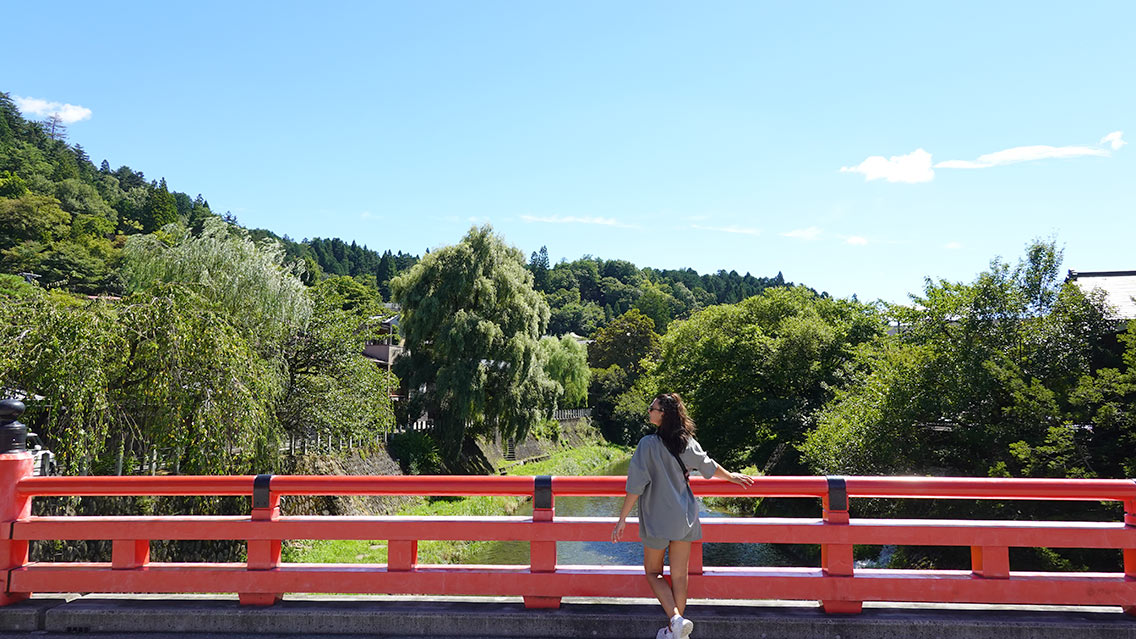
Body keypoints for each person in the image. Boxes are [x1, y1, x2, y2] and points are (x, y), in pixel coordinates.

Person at [611, 392, 754, 639]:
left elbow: (636, 485)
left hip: (657, 518)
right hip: (684, 516)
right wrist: (731, 476)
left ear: (663, 414)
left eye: (652, 408)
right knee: (679, 576)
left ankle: (676, 620)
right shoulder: (686, 442)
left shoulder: (647, 444)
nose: (649, 412)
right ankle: (675, 633)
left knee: (653, 573)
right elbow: (707, 465)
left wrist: (622, 519)